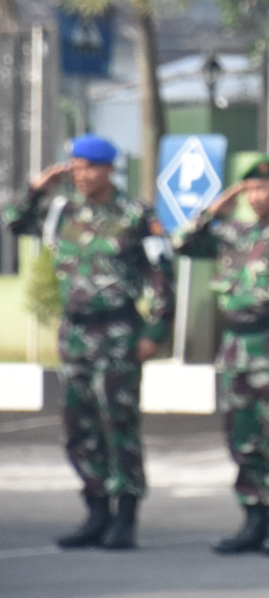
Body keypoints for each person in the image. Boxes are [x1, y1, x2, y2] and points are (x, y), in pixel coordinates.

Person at [5, 135, 174, 550]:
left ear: (109, 169)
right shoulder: (62, 210)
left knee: (119, 424)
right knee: (78, 427)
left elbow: (162, 271)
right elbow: (13, 221)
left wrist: (155, 331)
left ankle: (126, 514)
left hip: (117, 332)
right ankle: (96, 510)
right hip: (76, 333)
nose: (81, 175)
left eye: (90, 167)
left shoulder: (135, 214)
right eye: (76, 167)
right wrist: (38, 188)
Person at [173, 155, 269, 556]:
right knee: (240, 436)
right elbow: (182, 243)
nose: (257, 196)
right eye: (250, 189)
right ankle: (252, 518)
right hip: (235, 348)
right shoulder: (231, 234)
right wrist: (215, 209)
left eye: (264, 187)